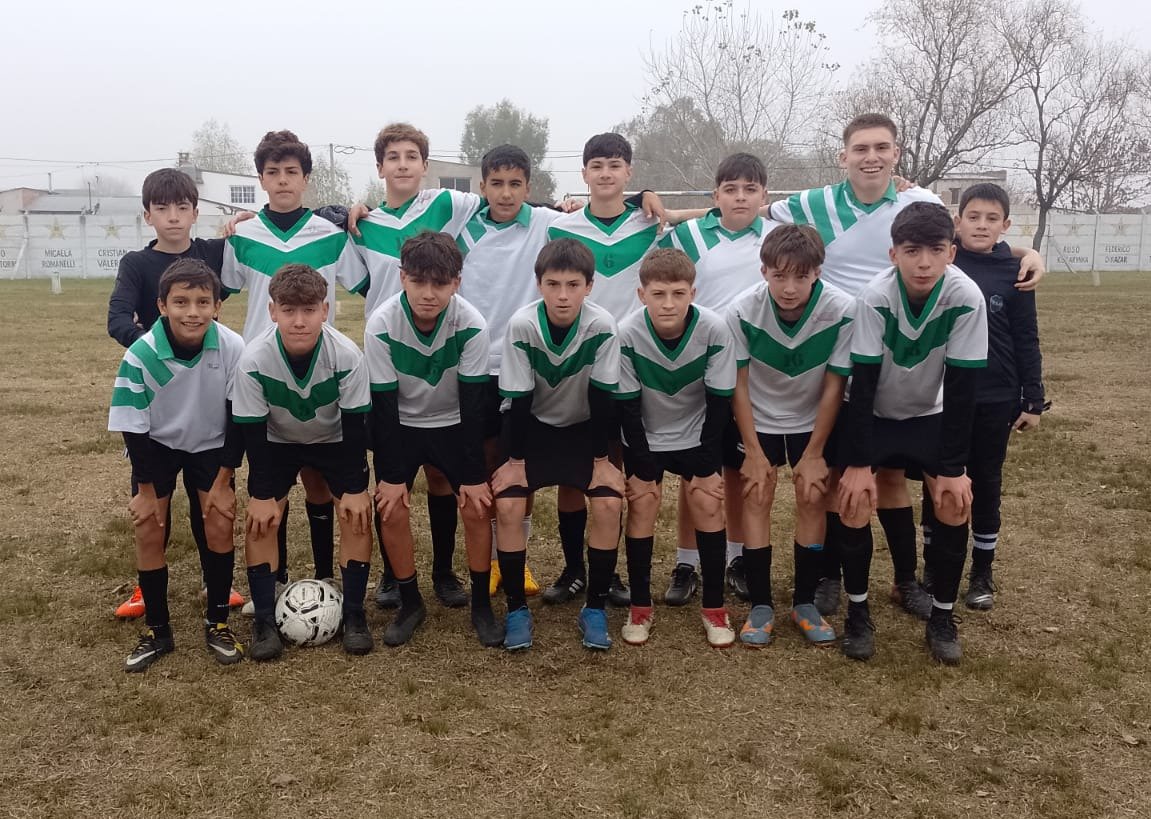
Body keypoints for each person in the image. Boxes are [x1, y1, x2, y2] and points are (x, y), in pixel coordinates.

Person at [769, 113, 1045, 619]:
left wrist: (1027, 253)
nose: (871, 157)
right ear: (843, 156)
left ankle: (903, 580)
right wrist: (659, 207)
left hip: (905, 360)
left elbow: (964, 238)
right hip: (842, 353)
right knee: (839, 478)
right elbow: (742, 214)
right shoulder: (815, 203)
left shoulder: (920, 201)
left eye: (882, 147)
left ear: (896, 153)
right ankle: (830, 577)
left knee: (892, 479)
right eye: (861, 148)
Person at [836, 202, 987, 664]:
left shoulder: (966, 297)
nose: (924, 263)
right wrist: (858, 463)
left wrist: (954, 469)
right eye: (912, 251)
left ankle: (942, 616)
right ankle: (857, 612)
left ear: (952, 253)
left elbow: (962, 389)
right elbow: (862, 383)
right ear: (893, 254)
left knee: (953, 501)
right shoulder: (874, 297)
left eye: (936, 250)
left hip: (927, 412)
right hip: (873, 412)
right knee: (855, 500)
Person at [223, 130, 368, 599]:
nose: (283, 180)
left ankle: (326, 576)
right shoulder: (241, 235)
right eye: (273, 172)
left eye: (292, 172)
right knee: (269, 483)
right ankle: (278, 577)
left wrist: (359, 211)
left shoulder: (331, 234)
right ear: (261, 179)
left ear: (306, 178)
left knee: (320, 483)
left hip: (321, 367)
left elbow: (371, 282)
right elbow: (217, 292)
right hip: (263, 375)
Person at [352, 122, 486, 609]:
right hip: (393, 357)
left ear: (426, 166)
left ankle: (444, 572)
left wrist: (575, 204)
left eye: (412, 156)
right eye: (393, 157)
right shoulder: (363, 223)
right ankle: (394, 576)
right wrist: (340, 210)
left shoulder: (446, 204)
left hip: (442, 370)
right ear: (379, 167)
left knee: (444, 481)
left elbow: (505, 199)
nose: (403, 164)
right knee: (391, 486)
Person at [106, 168, 245, 618]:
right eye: (162, 208)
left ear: (195, 212)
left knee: (211, 504)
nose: (172, 216)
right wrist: (157, 348)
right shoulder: (136, 264)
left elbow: (268, 232)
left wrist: (245, 221)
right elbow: (117, 319)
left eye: (182, 207)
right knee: (153, 503)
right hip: (160, 397)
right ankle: (146, 588)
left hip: (206, 396)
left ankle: (214, 580)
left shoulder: (212, 252)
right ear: (148, 215)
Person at [231, 264, 375, 660]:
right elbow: (253, 433)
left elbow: (356, 427)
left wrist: (356, 488)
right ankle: (264, 619)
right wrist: (262, 495)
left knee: (356, 514)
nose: (299, 321)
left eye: (309, 310)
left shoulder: (346, 355)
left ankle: (354, 612)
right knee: (261, 518)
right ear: (272, 311)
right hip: (278, 441)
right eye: (289, 310)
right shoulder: (253, 359)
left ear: (325, 310)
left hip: (334, 439)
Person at [109, 259, 246, 671]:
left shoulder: (232, 347)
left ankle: (217, 624)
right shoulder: (142, 354)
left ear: (217, 306)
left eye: (203, 302)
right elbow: (132, 426)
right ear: (162, 306)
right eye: (181, 302)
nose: (193, 312)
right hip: (156, 445)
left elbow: (239, 418)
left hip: (210, 443)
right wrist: (146, 491)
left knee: (219, 522)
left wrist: (224, 481)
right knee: (150, 528)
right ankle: (158, 632)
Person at [490, 239, 625, 651]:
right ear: (539, 285)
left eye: (573, 285)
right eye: (553, 284)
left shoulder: (603, 325)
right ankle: (516, 609)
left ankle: (595, 608)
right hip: (532, 427)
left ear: (590, 286)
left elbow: (603, 397)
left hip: (585, 428)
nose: (562, 295)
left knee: (608, 503)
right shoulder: (522, 324)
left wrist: (602, 460)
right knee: (509, 504)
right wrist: (515, 461)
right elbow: (518, 400)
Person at [658, 152, 780, 605]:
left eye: (750, 190)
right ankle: (686, 562)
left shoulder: (776, 235)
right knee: (696, 468)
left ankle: (737, 558)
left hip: (754, 372)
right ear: (715, 195)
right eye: (731, 190)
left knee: (736, 467)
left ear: (764, 195)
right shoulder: (688, 235)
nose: (740, 198)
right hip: (699, 366)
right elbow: (664, 277)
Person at [365, 232, 497, 647]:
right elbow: (383, 406)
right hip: (401, 422)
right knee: (390, 507)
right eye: (419, 281)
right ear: (402, 277)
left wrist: (474, 476)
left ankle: (478, 603)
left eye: (439, 283)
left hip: (453, 421)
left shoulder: (472, 324)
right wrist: (390, 477)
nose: (428, 293)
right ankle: (410, 602)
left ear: (456, 282)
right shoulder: (382, 323)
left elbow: (473, 405)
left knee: (476, 506)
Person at [725, 225, 854, 647]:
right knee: (756, 495)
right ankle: (761, 604)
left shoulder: (842, 309)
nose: (789, 288)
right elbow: (739, 384)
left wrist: (815, 453)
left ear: (818, 272)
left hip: (811, 420)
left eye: (801, 276)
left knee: (813, 497)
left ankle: (804, 602)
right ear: (763, 271)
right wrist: (753, 451)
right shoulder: (741, 311)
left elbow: (835, 385)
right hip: (759, 419)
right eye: (779, 276)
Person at [921, 182, 1044, 611]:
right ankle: (934, 566)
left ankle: (981, 571)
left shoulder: (1016, 272)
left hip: (996, 396)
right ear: (958, 222)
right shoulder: (941, 263)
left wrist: (1033, 399)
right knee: (939, 479)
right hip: (943, 394)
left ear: (1005, 225)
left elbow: (1026, 338)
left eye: (992, 219)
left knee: (987, 481)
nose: (981, 225)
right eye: (973, 217)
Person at [615, 248, 738, 647]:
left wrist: (705, 467)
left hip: (697, 434)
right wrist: (641, 467)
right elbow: (628, 407)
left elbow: (720, 403)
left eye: (678, 293)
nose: (668, 303)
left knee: (707, 501)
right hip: (646, 436)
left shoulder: (714, 329)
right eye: (658, 294)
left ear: (693, 293)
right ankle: (640, 606)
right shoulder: (627, 333)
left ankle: (714, 608)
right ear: (641, 295)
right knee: (643, 503)